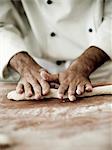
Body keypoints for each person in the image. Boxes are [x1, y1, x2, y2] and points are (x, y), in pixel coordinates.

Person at [0, 0, 112, 101]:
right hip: (35, 69)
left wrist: (83, 66)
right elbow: (1, 24)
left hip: (97, 73)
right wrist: (24, 66)